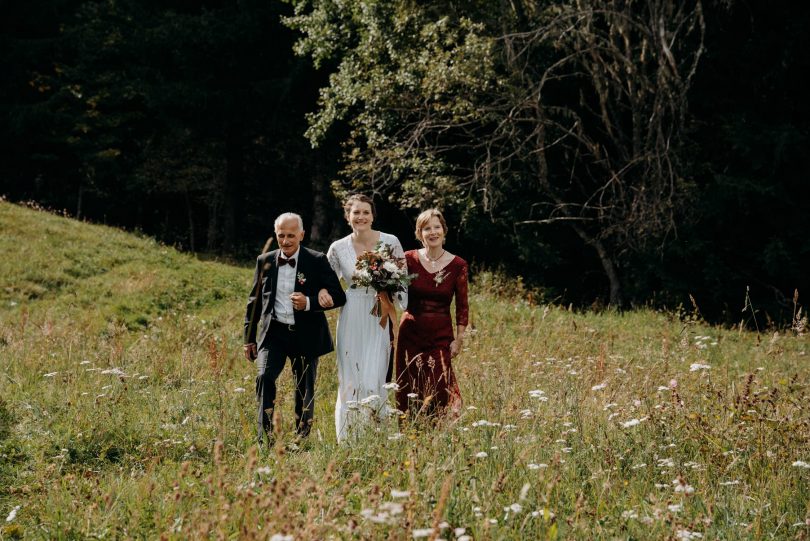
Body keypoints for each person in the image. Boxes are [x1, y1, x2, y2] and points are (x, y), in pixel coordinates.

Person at [243, 212, 346, 447]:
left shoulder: (317, 260)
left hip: (306, 334)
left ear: (302, 234)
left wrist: (310, 302)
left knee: (304, 388)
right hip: (273, 334)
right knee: (264, 377)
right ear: (276, 235)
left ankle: (301, 439)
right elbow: (254, 302)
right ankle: (265, 439)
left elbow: (339, 296)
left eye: (291, 235)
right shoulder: (265, 260)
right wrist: (248, 339)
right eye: (281, 235)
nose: (286, 240)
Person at [323, 194, 406, 442]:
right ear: (348, 216)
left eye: (365, 212)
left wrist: (399, 299)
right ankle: (348, 439)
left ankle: (376, 436)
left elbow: (402, 277)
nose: (361, 217)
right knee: (350, 378)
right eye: (356, 212)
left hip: (379, 313)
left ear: (372, 215)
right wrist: (322, 294)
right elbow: (326, 282)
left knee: (375, 375)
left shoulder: (390, 241)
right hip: (352, 313)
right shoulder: (338, 248)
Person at [395, 208, 468, 419]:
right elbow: (394, 293)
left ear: (444, 231)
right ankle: (409, 431)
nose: (433, 232)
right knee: (409, 387)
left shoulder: (458, 265)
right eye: (427, 228)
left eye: (437, 227)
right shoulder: (407, 259)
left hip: (440, 335)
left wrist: (459, 339)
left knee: (440, 387)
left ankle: (437, 435)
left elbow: (462, 307)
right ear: (420, 233)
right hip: (410, 333)